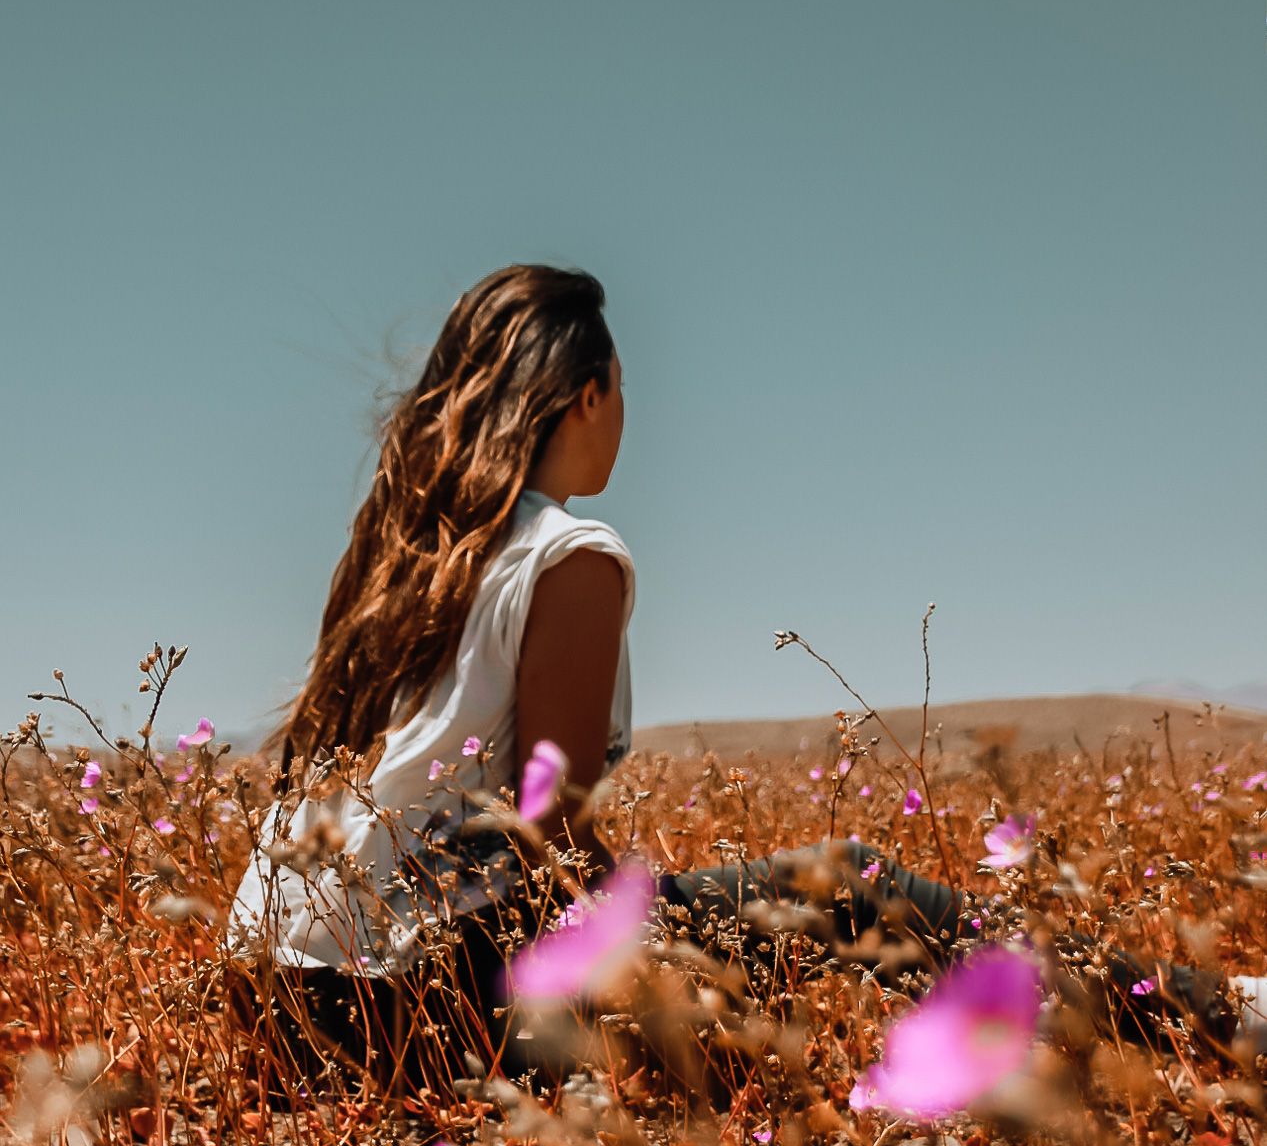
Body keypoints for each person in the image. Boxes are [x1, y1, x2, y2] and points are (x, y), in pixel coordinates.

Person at [225, 262, 1253, 1098]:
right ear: (587, 396)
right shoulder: (568, 555)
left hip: (282, 1007)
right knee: (851, 885)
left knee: (741, 918)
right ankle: (1218, 1016)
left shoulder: (406, 557)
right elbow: (551, 834)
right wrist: (690, 970)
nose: (625, 413)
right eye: (622, 389)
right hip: (422, 1001)